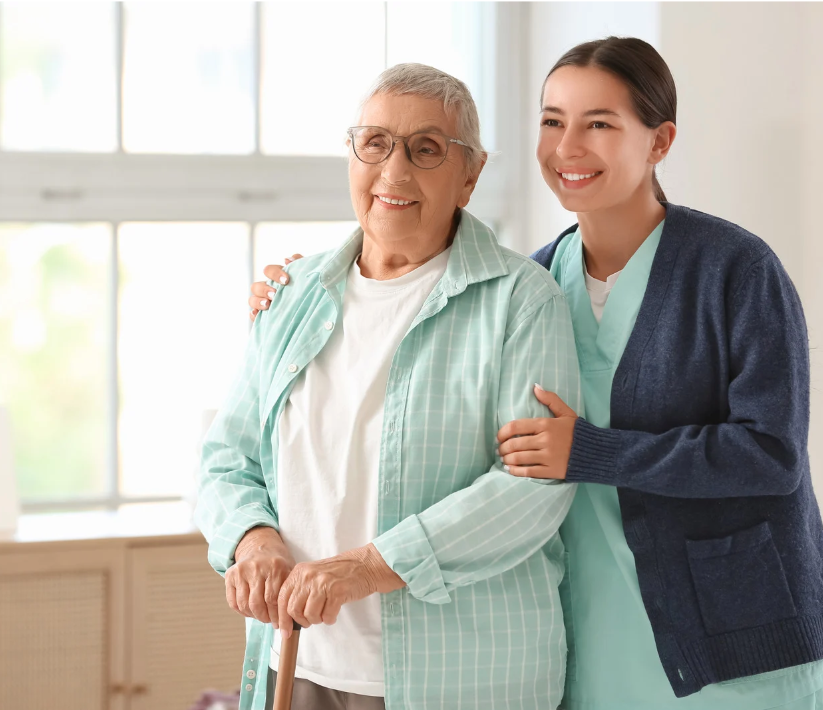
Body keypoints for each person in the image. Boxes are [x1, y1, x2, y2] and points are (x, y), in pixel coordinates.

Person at [250, 37, 823, 710]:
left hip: (730, 637)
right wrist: (294, 296)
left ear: (660, 140)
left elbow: (771, 454)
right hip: (592, 632)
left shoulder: (735, 270)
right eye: (553, 121)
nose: (567, 147)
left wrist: (593, 451)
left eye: (598, 124)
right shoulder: (535, 282)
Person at [195, 64, 582, 710]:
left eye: (426, 149)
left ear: (470, 175)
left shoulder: (522, 301)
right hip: (296, 662)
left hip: (459, 681)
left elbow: (531, 490)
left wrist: (367, 568)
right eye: (374, 144)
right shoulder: (292, 294)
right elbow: (227, 457)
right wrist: (252, 539)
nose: (393, 172)